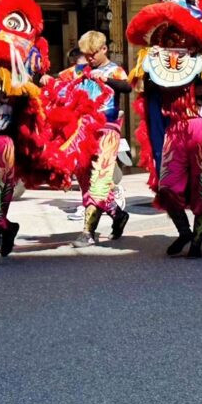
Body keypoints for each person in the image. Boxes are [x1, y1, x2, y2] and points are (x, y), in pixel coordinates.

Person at [59, 31, 132, 247]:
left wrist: (107, 79)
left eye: (93, 54)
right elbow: (60, 81)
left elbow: (128, 87)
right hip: (83, 132)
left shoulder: (114, 70)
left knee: (100, 181)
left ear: (103, 49)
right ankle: (118, 215)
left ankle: (87, 232)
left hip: (107, 130)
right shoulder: (81, 70)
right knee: (84, 180)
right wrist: (46, 79)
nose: (90, 59)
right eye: (86, 55)